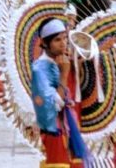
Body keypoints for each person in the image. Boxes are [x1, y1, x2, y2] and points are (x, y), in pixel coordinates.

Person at [31, 18, 88, 168]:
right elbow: (50, 106)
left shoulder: (63, 61)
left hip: (69, 125)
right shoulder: (40, 69)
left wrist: (78, 67)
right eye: (57, 40)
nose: (63, 43)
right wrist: (64, 74)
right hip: (53, 129)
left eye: (64, 38)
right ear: (45, 42)